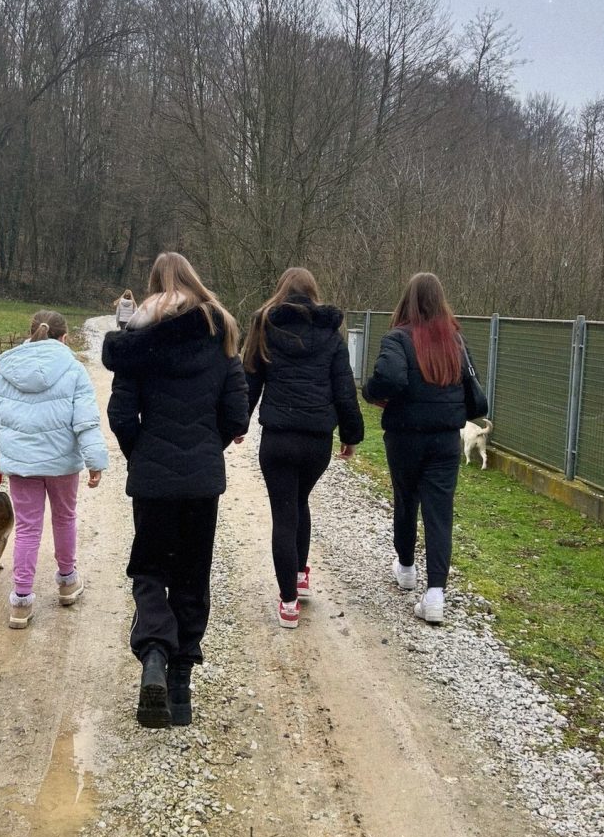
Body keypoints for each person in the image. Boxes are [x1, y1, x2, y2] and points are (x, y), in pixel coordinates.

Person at [102, 252, 249, 728]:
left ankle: (153, 656)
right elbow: (237, 416)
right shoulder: (222, 333)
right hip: (202, 482)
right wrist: (207, 448)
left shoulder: (137, 342)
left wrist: (142, 454)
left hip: (152, 480)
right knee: (192, 574)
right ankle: (181, 689)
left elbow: (121, 414)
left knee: (149, 569)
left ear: (153, 286)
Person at [362, 272, 487, 625]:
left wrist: (371, 393)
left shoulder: (397, 338)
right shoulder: (455, 340)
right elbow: (472, 387)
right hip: (446, 438)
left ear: (408, 300)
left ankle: (406, 569)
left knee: (406, 500)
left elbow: (389, 378)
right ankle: (435, 595)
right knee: (439, 512)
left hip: (405, 437)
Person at [243, 268, 364, 629]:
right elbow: (344, 388)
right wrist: (351, 434)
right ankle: (298, 576)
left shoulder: (265, 326)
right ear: (314, 292)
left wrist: (237, 424)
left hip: (278, 439)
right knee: (300, 501)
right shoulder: (331, 334)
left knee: (285, 514)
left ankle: (288, 603)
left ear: (281, 291)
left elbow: (250, 381)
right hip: (316, 441)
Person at [0, 310, 108, 629]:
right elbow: (86, 422)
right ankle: (67, 582)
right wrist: (95, 461)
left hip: (22, 466)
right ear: (64, 338)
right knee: (64, 518)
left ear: (31, 333)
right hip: (62, 464)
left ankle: (21, 602)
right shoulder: (74, 370)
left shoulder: (6, 371)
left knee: (27, 528)